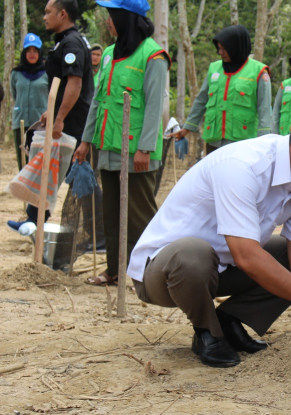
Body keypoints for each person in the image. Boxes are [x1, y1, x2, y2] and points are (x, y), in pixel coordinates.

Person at [127, 115, 291, 368]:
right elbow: (246, 255)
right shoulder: (243, 165)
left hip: (221, 269)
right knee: (193, 253)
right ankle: (208, 332)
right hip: (163, 273)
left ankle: (229, 320)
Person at [74, 0, 170, 286]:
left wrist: (145, 148)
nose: (107, 22)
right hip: (109, 146)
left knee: (140, 215)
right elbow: (98, 101)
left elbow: (154, 105)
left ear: (125, 18)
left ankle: (156, 273)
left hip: (137, 151)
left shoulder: (153, 56)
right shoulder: (107, 55)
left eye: (111, 16)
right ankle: (114, 270)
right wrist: (85, 141)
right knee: (111, 213)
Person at [7, 0, 94, 236]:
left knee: (77, 175)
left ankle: (95, 232)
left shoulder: (72, 44)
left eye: (48, 12)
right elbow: (63, 84)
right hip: (65, 119)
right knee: (48, 168)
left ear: (62, 14)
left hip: (74, 124)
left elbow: (75, 85)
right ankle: (35, 219)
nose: (44, 17)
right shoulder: (63, 43)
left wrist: (60, 118)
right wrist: (52, 112)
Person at [174, 25, 271, 154]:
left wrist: (264, 142)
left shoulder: (259, 72)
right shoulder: (214, 69)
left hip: (243, 143)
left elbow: (264, 110)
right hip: (214, 142)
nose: (220, 52)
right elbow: (201, 100)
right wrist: (187, 128)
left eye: (225, 49)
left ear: (236, 48)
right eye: (219, 48)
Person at [10, 33, 48, 171]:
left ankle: (38, 191)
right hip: (20, 122)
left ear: (40, 53)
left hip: (40, 123)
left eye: (35, 51)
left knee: (39, 161)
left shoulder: (47, 73)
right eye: (28, 50)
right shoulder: (16, 73)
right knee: (23, 161)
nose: (32, 54)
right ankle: (23, 191)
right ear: (24, 53)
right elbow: (14, 94)